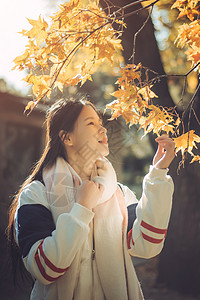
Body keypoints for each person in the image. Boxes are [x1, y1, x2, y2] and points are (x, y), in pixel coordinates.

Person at [8, 96, 175, 300]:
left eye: (100, 123)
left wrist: (158, 174)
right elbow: (44, 269)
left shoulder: (119, 193)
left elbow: (147, 245)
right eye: (91, 123)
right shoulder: (36, 194)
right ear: (67, 138)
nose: (103, 129)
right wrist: (82, 208)